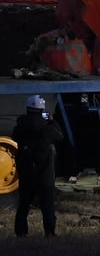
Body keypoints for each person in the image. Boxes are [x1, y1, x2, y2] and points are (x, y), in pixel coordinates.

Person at [14, 95, 64, 238]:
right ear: (42, 109)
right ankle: (49, 232)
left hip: (26, 171)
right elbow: (60, 136)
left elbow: (14, 137)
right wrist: (52, 121)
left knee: (23, 204)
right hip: (44, 173)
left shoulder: (20, 126)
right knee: (47, 205)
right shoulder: (46, 128)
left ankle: (21, 232)